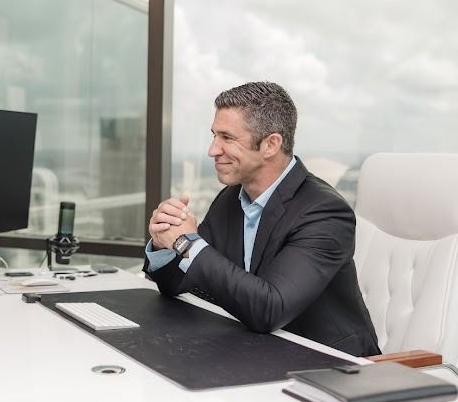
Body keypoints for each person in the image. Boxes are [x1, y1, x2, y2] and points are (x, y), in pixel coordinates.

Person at [144, 82, 380, 357]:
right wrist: (166, 243)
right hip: (255, 353)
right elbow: (181, 283)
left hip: (332, 368)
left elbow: (270, 308)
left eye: (227, 138)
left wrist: (187, 243)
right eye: (213, 136)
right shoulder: (230, 199)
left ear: (271, 144)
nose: (212, 150)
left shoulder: (324, 212)